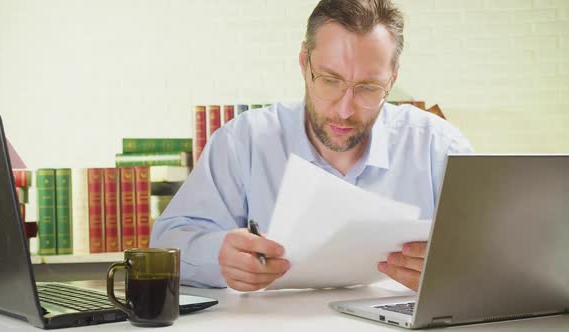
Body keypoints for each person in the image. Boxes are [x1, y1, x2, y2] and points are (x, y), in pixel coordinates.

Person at [150, 0, 473, 292]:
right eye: (330, 80)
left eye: (368, 88)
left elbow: (498, 254)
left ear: (391, 79)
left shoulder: (437, 145)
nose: (344, 111)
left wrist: (458, 270)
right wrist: (216, 256)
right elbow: (166, 243)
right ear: (305, 63)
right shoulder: (243, 140)